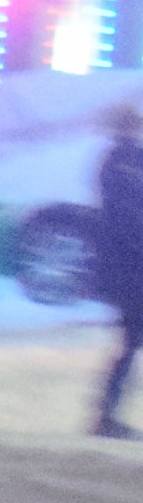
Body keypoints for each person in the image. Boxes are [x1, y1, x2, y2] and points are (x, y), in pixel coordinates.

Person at [92, 102, 143, 442]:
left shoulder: (117, 162)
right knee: (130, 343)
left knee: (130, 344)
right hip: (132, 269)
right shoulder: (126, 164)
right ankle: (106, 417)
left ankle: (107, 416)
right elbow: (127, 219)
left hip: (126, 269)